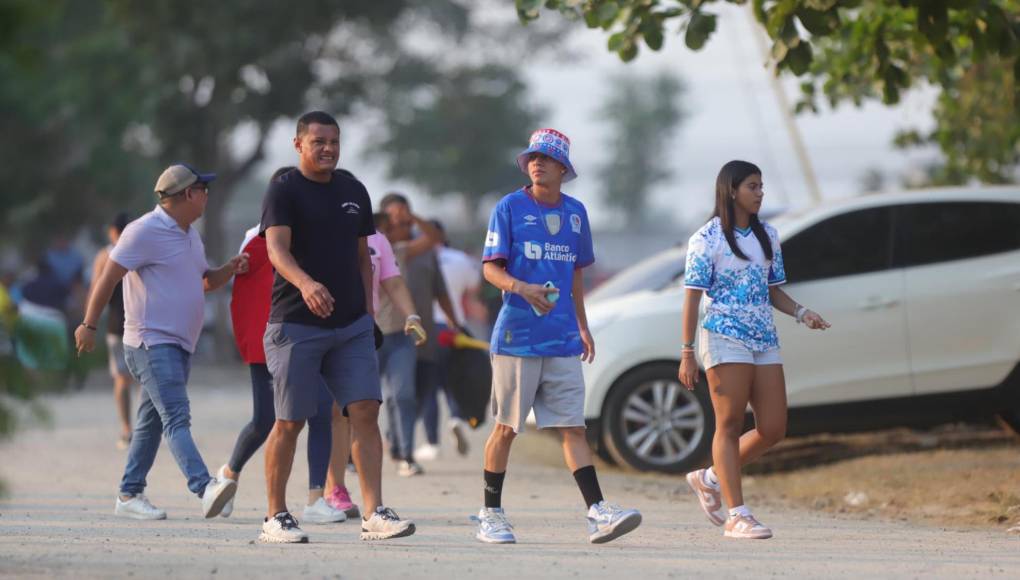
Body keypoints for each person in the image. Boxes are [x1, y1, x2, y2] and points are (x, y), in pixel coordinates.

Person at [476, 128, 641, 545]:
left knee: (572, 428)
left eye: (547, 159)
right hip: (517, 337)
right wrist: (522, 288)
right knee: (507, 428)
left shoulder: (576, 213)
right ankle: (490, 513)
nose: (537, 163)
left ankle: (596, 511)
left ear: (563, 169)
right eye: (532, 157)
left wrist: (582, 325)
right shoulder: (509, 207)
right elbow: (490, 269)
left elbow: (576, 273)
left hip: (563, 337)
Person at [259, 111, 414, 544]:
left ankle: (374, 512)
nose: (328, 148)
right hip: (296, 322)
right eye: (318, 141)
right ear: (299, 145)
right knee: (290, 420)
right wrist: (307, 283)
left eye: (334, 141)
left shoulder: (353, 190)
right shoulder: (284, 189)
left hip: (351, 325)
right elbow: (275, 249)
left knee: (365, 410)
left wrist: (367, 312)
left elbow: (363, 256)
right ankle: (275, 515)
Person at [75, 163, 248, 521]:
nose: (206, 197)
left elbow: (204, 281)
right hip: (150, 342)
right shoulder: (142, 231)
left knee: (151, 422)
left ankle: (129, 493)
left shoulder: (190, 236)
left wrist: (229, 269)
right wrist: (89, 325)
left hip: (181, 344)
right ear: (188, 194)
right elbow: (107, 278)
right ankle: (204, 487)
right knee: (176, 417)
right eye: (203, 190)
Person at [679, 160, 830, 540]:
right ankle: (737, 514)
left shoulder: (769, 236)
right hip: (723, 335)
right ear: (731, 190)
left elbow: (772, 289)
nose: (760, 192)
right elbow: (691, 298)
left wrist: (801, 312)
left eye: (761, 186)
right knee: (728, 424)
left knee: (773, 428)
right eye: (753, 186)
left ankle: (710, 477)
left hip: (763, 338)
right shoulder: (706, 239)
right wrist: (686, 351)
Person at [217, 166, 345, 526]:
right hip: (272, 344)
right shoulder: (255, 238)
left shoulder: (321, 233)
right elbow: (245, 297)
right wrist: (249, 343)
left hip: (314, 336)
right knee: (266, 420)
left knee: (320, 413)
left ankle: (316, 498)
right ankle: (228, 474)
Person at [324, 210, 424, 517]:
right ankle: (331, 488)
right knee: (336, 413)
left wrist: (411, 314)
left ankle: (371, 504)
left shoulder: (379, 241)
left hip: (364, 332)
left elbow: (392, 282)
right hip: (326, 329)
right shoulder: (323, 233)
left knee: (365, 409)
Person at [377, 193, 460, 477]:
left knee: (405, 395)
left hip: (409, 335)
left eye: (403, 216)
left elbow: (434, 237)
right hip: (373, 333)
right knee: (368, 398)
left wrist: (453, 321)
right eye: (392, 218)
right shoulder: (372, 248)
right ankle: (355, 454)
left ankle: (405, 453)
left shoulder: (410, 250)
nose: (398, 222)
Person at [415, 219, 481, 460]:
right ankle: (457, 418)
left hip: (426, 329)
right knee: (453, 381)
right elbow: (473, 287)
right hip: (454, 328)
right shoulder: (461, 259)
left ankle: (432, 443)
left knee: (429, 387)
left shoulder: (415, 258)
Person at [88, 212, 135, 449]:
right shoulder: (133, 251)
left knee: (123, 379)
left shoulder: (106, 256)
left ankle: (128, 428)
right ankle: (130, 428)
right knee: (129, 380)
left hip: (122, 325)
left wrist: (90, 324)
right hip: (131, 325)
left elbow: (95, 290)